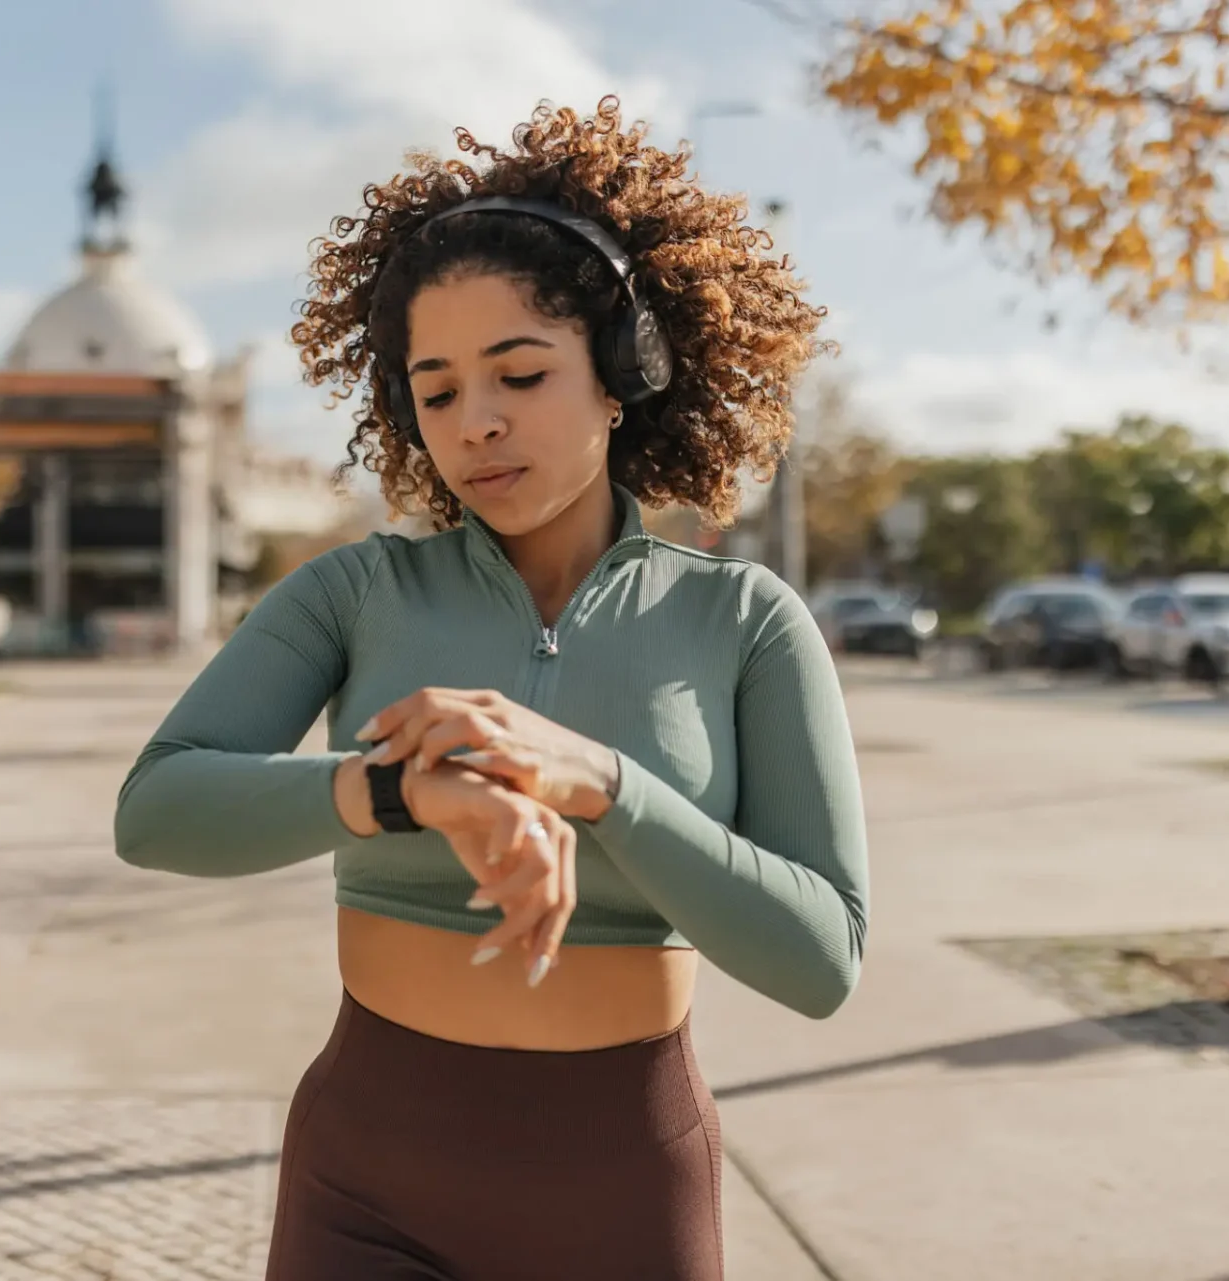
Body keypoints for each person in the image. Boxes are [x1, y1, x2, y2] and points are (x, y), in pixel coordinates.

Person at [114, 97, 868, 1281]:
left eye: (520, 372)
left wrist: (605, 784)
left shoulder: (744, 621)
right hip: (365, 1188)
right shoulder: (353, 593)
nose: (478, 423)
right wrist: (399, 792)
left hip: (625, 1191)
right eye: (439, 389)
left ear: (627, 375)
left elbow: (821, 959)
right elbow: (156, 812)